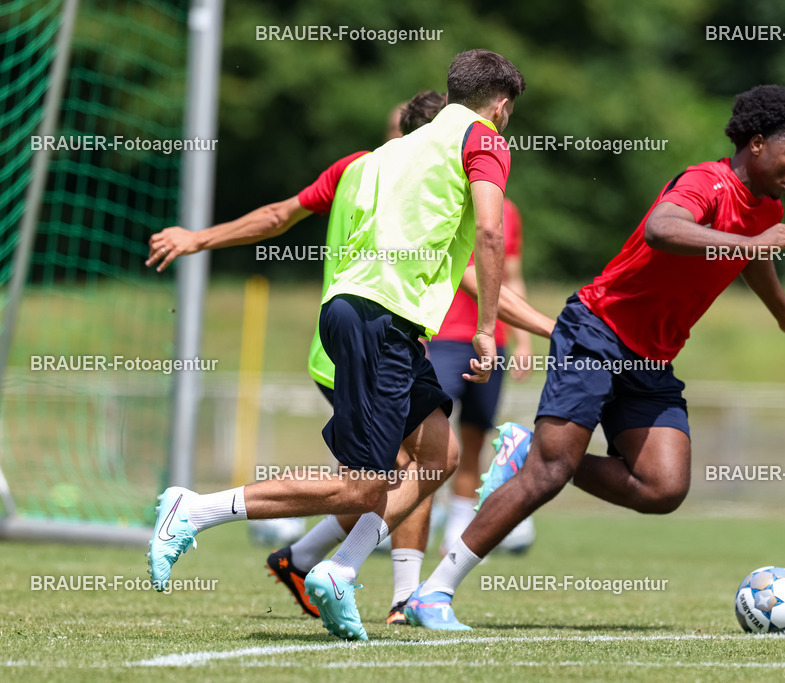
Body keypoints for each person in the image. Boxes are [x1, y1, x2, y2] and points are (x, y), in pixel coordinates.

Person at [405, 84, 785, 630]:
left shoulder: (764, 208)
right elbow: (663, 230)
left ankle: (525, 450)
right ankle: (433, 593)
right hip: (597, 329)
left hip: (653, 356)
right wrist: (752, 244)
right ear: (755, 144)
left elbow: (750, 260)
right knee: (549, 474)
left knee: (662, 488)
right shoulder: (706, 182)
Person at [144, 49, 536, 642]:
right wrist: (487, 329)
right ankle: (196, 510)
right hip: (377, 322)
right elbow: (489, 229)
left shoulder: (386, 154)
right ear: (502, 106)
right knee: (363, 485)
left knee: (440, 456)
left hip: (378, 324)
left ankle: (335, 569)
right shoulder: (484, 141)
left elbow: (285, 215)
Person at [430, 196, 536, 559]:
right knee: (424, 436)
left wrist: (523, 340)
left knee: (476, 438)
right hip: (441, 338)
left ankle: (456, 532)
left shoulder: (510, 211)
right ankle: (402, 522)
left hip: (494, 341)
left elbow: (513, 276)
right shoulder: (442, 200)